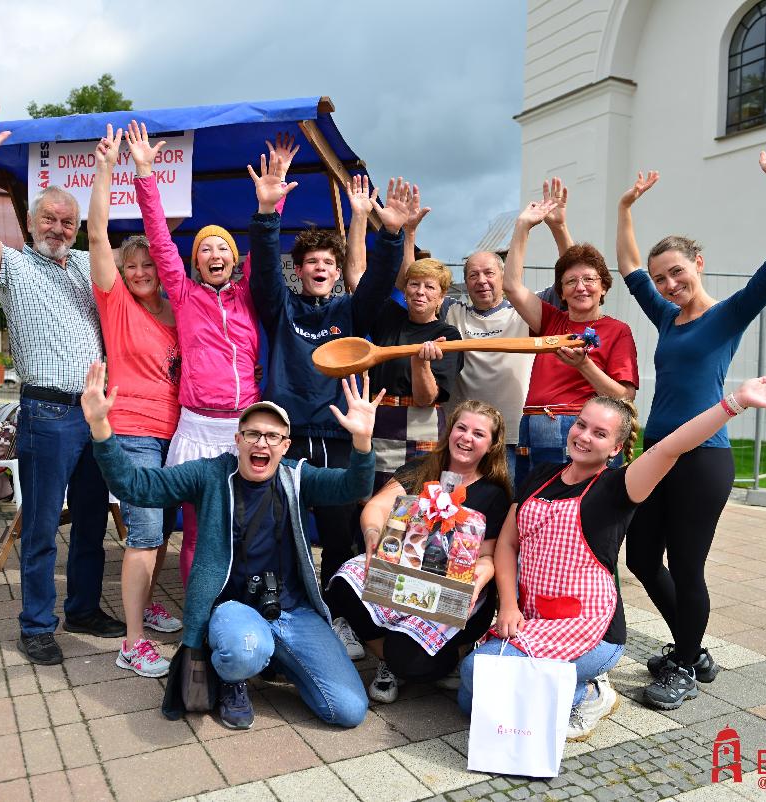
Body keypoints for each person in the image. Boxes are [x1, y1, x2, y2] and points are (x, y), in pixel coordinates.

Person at [458, 377, 766, 738]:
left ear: (615, 447)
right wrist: (509, 607)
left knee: (476, 674)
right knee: (471, 701)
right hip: (530, 621)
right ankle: (557, 688)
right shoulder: (541, 476)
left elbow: (671, 447)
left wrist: (736, 402)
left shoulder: (619, 486)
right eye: (581, 424)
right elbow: (508, 546)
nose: (584, 436)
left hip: (590, 633)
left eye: (599, 433)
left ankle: (589, 692)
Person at [83, 362, 383, 730]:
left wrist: (362, 441)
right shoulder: (208, 475)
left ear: (285, 446)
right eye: (252, 434)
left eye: (272, 436)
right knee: (244, 648)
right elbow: (136, 486)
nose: (262, 443)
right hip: (234, 610)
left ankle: (275, 659)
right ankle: (234, 677)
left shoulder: (297, 477)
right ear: (237, 440)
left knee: (349, 711)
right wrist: (101, 427)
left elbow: (354, 488)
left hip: (292, 611)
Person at [616, 148, 766, 709]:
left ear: (699, 262)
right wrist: (625, 207)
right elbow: (627, 267)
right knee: (642, 558)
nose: (669, 283)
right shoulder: (667, 318)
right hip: (658, 455)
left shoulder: (729, 314)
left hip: (703, 458)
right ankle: (691, 648)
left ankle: (685, 664)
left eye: (678, 271)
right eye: (662, 277)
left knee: (686, 564)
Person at [0, 95, 121, 665]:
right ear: (29, 221)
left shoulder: (88, 272)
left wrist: (106, 174)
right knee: (43, 526)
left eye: (68, 221)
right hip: (46, 415)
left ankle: (85, 607)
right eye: (50, 218)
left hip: (94, 414)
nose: (59, 227)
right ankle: (37, 624)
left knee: (94, 519)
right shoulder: (14, 268)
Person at [248, 145, 413, 594]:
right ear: (298, 270)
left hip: (341, 439)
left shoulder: (351, 312)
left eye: (328, 263)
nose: (320, 268)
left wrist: (392, 234)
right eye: (311, 263)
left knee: (342, 538)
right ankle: (281, 606)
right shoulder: (281, 309)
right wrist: (267, 212)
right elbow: (262, 273)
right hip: (292, 438)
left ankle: (339, 614)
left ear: (338, 272)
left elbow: (378, 282)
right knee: (282, 531)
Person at [127, 122, 285, 585]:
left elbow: (267, 246)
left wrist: (270, 203)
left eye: (223, 248)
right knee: (195, 532)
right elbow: (158, 238)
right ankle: (200, 616)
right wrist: (144, 173)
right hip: (196, 428)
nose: (215, 253)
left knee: (244, 528)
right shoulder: (182, 292)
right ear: (195, 262)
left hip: (244, 428)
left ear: (234, 260)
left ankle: (238, 602)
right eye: (205, 249)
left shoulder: (249, 294)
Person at [327, 400, 513, 702]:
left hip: (455, 592)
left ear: (492, 445)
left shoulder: (494, 492)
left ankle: (450, 655)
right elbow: (377, 506)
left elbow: (490, 557)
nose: (466, 438)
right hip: (404, 576)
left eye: (478, 434)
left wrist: (475, 583)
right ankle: (389, 658)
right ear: (449, 431)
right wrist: (373, 533)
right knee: (343, 583)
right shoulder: (421, 468)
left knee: (413, 663)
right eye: (461, 428)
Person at [88, 125, 182, 678]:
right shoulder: (116, 302)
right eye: (133, 266)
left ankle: (143, 606)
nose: (142, 272)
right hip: (132, 431)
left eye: (149, 264)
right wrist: (106, 169)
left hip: (174, 431)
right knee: (143, 534)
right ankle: (132, 641)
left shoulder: (174, 309)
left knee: (161, 529)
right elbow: (98, 235)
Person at [502, 188, 639, 487]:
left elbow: (624, 396)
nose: (581, 287)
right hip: (534, 426)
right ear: (561, 292)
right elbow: (511, 286)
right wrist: (523, 226)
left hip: (582, 427)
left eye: (589, 280)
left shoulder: (617, 330)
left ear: (603, 287)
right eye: (571, 282)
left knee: (578, 508)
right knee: (530, 504)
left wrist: (584, 366)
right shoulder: (551, 319)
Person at [368, 257, 463, 489]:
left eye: (430, 286)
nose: (420, 292)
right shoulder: (388, 318)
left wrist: (420, 364)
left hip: (423, 427)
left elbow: (425, 399)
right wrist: (360, 218)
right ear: (405, 289)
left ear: (441, 297)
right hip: (379, 423)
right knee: (370, 500)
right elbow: (358, 277)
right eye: (414, 284)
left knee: (415, 506)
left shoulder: (448, 336)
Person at [442, 250, 533, 478]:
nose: (481, 280)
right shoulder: (452, 312)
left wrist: (557, 227)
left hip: (511, 436)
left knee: (506, 504)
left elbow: (568, 282)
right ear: (465, 282)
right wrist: (408, 234)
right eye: (473, 275)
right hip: (463, 437)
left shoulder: (525, 312)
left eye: (489, 273)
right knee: (456, 505)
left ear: (503, 277)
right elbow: (411, 283)